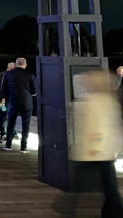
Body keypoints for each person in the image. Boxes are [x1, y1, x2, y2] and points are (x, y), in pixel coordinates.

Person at [71, 70, 123, 218]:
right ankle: (113, 211)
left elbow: (94, 125)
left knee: (104, 185)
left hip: (94, 150)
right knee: (109, 184)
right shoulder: (110, 99)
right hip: (104, 149)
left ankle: (115, 211)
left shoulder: (92, 100)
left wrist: (93, 145)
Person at [2, 58, 36, 153]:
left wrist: (4, 98)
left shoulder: (8, 74)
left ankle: (8, 144)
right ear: (25, 64)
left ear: (16, 64)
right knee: (26, 124)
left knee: (11, 122)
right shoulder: (30, 75)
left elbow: (4, 88)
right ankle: (23, 146)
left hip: (13, 100)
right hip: (26, 101)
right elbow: (34, 91)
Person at [0, 62, 16, 141]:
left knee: (10, 115)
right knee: (4, 115)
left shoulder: (7, 74)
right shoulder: (4, 75)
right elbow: (1, 87)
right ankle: (3, 133)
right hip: (5, 99)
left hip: (10, 98)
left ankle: (12, 132)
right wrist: (2, 98)